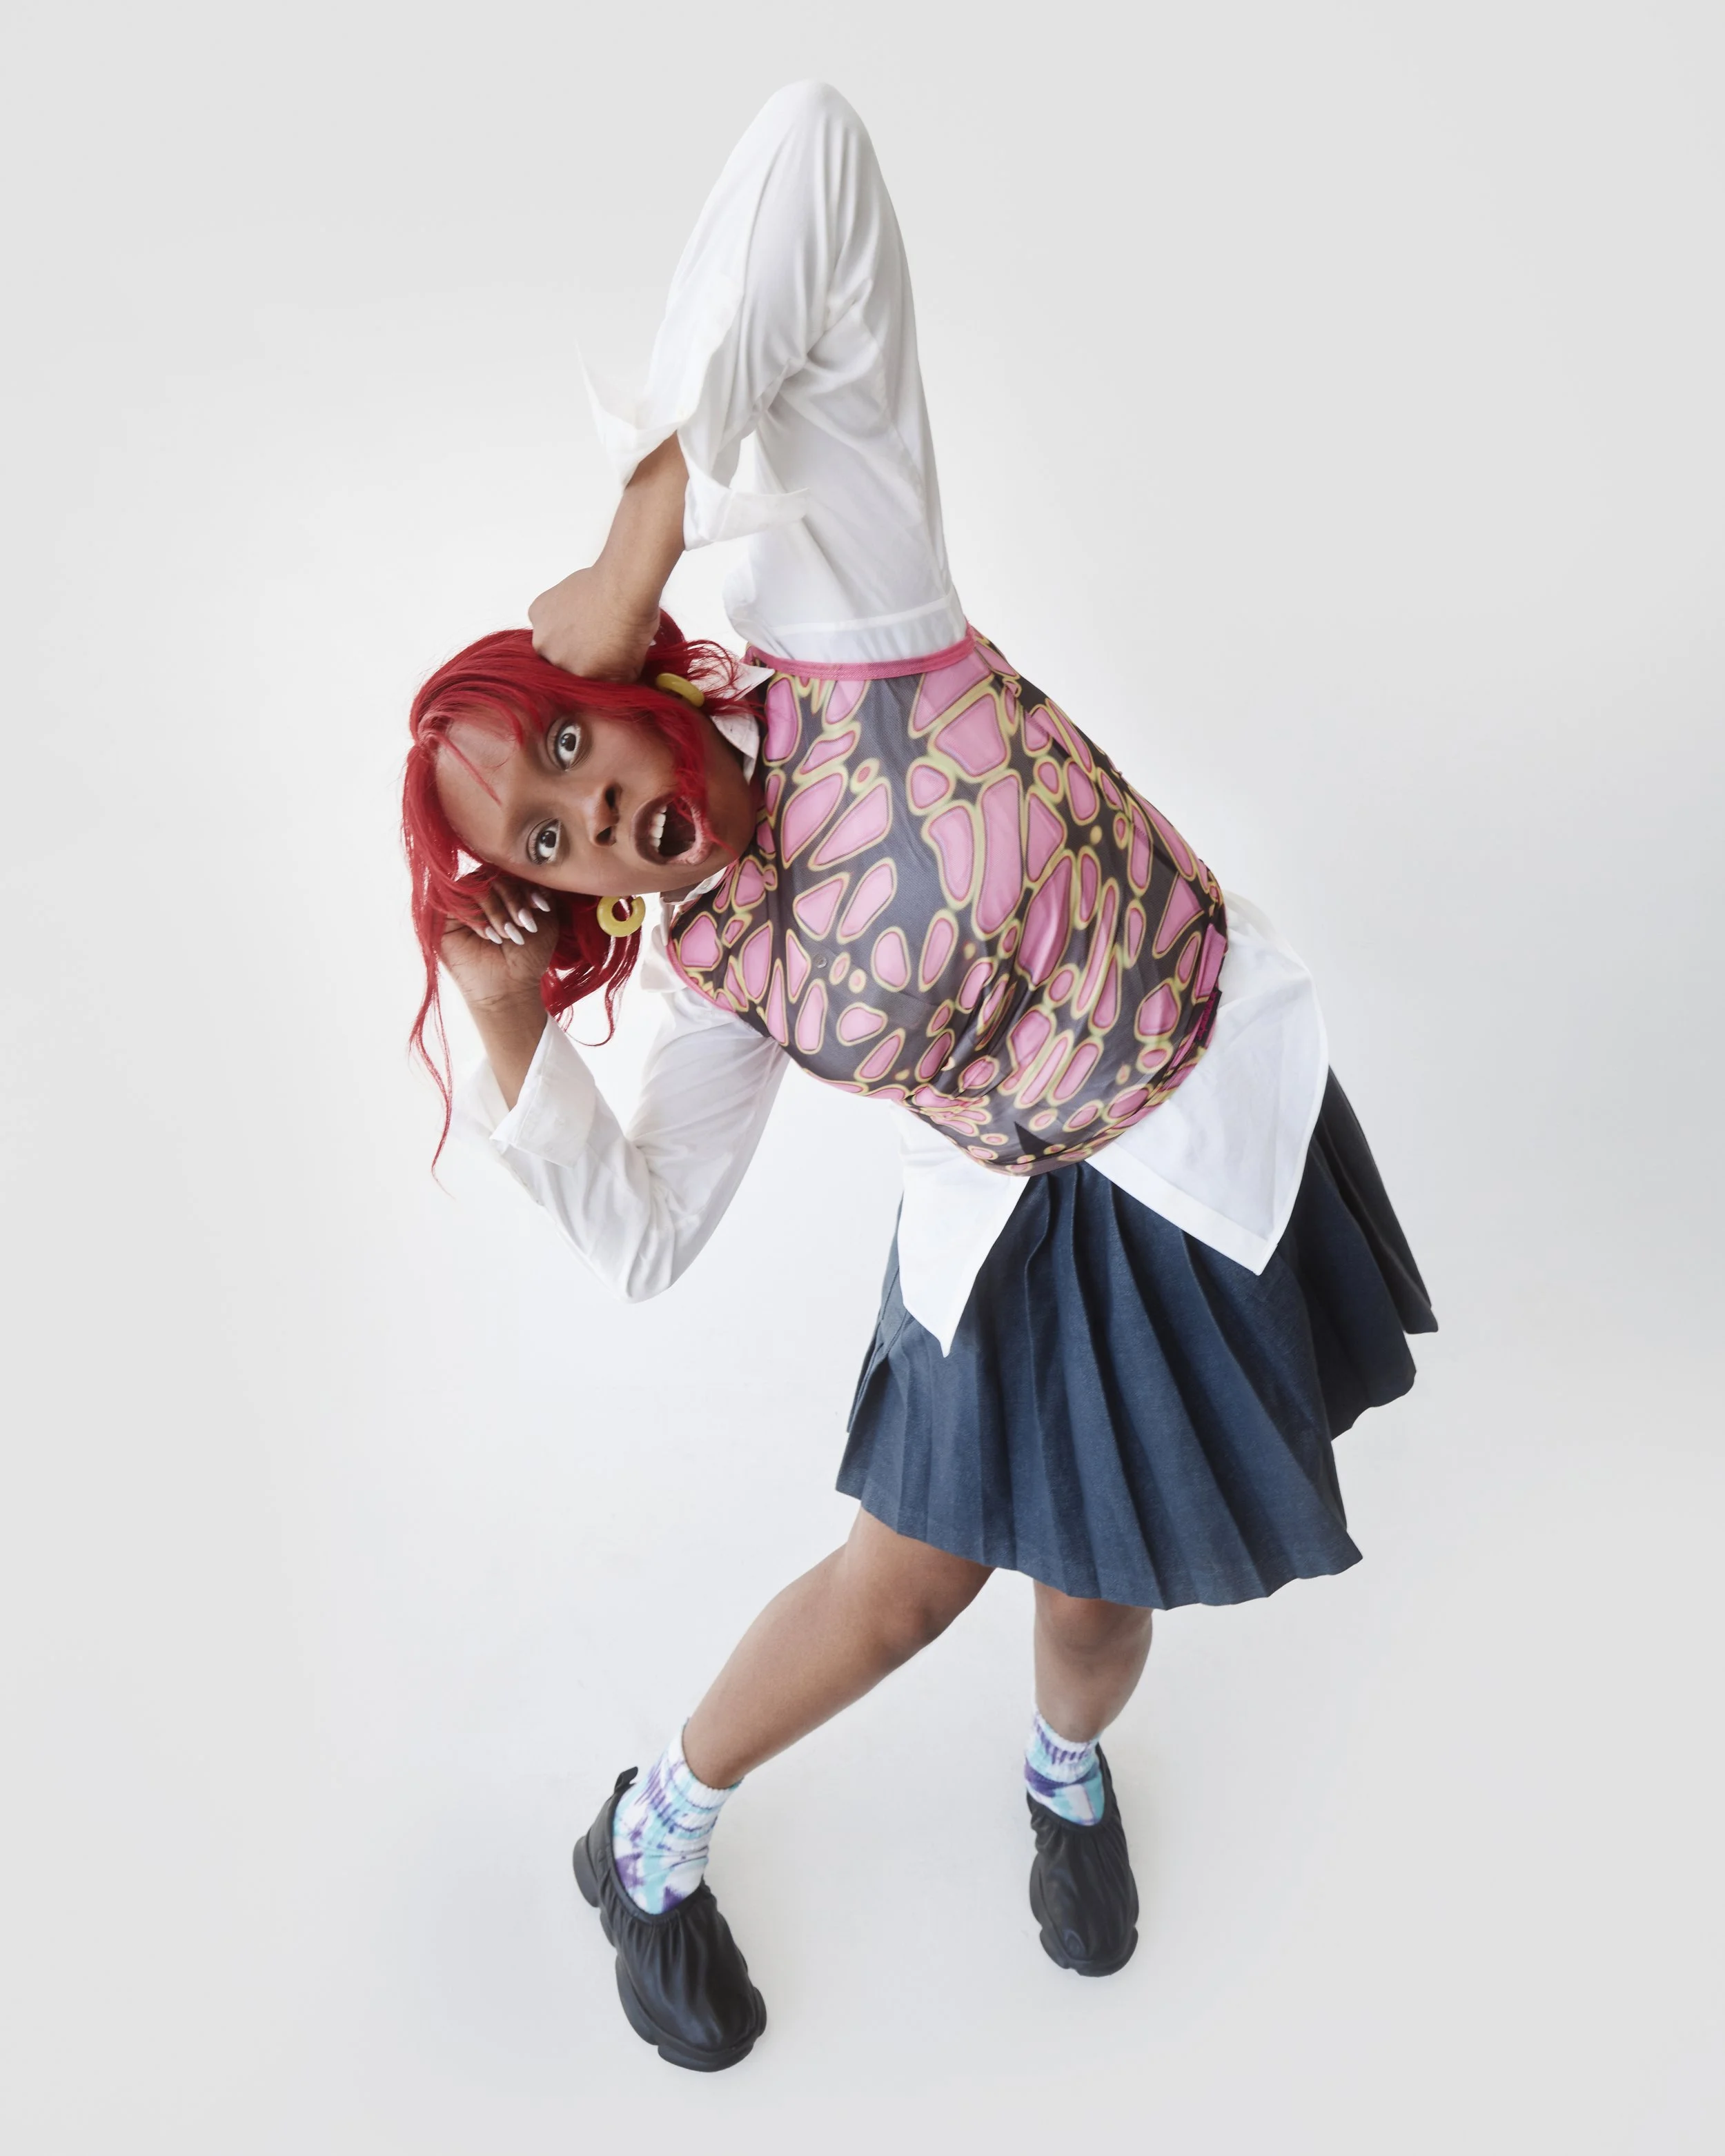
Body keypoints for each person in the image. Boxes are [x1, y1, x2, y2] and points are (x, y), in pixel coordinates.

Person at [401, 82, 1435, 2073]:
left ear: (609, 673)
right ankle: (650, 1835)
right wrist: (517, 1036)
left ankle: (1062, 1772)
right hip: (1012, 1213)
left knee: (1097, 1605)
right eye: (542, 841)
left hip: (1186, 1118)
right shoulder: (713, 973)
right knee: (903, 1591)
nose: (587, 816)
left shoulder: (839, 608)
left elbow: (814, 150)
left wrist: (641, 515)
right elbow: (650, 1241)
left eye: (562, 749)